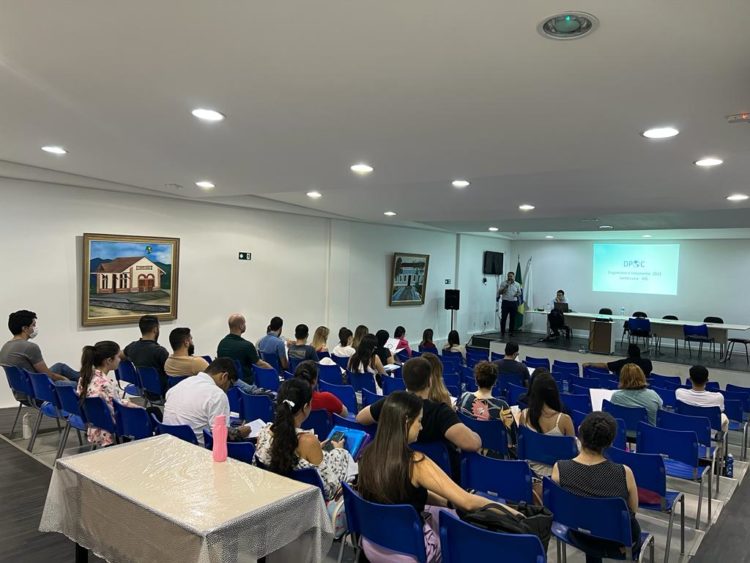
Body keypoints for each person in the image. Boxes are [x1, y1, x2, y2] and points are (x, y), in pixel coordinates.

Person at [357, 391, 514, 562]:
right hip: (410, 552)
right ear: (406, 422)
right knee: (461, 531)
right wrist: (515, 515)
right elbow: (468, 502)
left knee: (442, 511)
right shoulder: (415, 463)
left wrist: (447, 502)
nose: (421, 427)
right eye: (419, 421)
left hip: (373, 544)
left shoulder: (367, 454)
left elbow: (402, 493)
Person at [357, 357, 481, 478]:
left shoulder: (392, 403)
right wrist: (477, 436)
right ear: (430, 381)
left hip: (401, 472)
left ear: (405, 380)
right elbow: (472, 444)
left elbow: (360, 418)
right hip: (440, 476)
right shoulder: (441, 412)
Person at [552, 412, 640, 563]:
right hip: (615, 541)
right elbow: (632, 511)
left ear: (580, 433)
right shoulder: (624, 473)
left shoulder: (560, 468)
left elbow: (558, 506)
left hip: (577, 533)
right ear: (610, 442)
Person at [254, 378, 353, 501]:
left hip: (275, 498)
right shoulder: (308, 441)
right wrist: (339, 451)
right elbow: (329, 490)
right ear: (306, 407)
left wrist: (315, 450)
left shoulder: (264, 432)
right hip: (306, 505)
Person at [163, 358, 252, 444]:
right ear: (224, 376)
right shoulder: (217, 394)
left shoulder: (180, 385)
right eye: (230, 384)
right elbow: (222, 438)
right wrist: (239, 433)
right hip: (197, 449)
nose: (228, 390)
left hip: (169, 444)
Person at [77, 341, 137, 447]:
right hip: (110, 432)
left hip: (94, 428)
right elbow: (116, 411)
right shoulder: (105, 384)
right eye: (118, 356)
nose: (120, 359)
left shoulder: (84, 378)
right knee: (149, 414)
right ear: (109, 360)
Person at [518, 371, 575, 477]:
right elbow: (572, 453)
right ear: (555, 393)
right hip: (557, 476)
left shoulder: (524, 415)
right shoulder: (565, 420)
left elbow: (521, 445)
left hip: (530, 472)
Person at [0, 310, 79, 385]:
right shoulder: (30, 347)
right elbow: (48, 375)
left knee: (60, 367)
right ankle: (84, 384)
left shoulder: (5, 347)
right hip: (38, 389)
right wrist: (64, 379)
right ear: (25, 328)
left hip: (23, 387)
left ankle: (84, 378)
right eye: (33, 325)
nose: (35, 328)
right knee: (74, 385)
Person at [457, 361, 517, 455]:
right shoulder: (503, 406)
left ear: (476, 380)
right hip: (493, 458)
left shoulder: (464, 397)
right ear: (495, 382)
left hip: (466, 453)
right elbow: (512, 441)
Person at [216, 314, 273, 393]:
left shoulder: (221, 344)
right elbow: (260, 364)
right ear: (241, 326)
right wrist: (274, 371)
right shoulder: (247, 345)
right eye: (244, 324)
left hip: (229, 388)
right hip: (247, 387)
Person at [123, 315, 170, 392]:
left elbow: (119, 355)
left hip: (143, 390)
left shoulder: (132, 347)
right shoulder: (160, 351)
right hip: (162, 392)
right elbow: (173, 371)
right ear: (155, 329)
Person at [676, 365, 728, 431]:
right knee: (724, 417)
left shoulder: (679, 393)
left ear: (690, 379)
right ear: (707, 380)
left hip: (685, 429)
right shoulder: (718, 397)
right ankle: (722, 436)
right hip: (708, 433)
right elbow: (720, 412)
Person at [584, 344, 653, 377]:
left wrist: (590, 363)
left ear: (628, 354)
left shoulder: (622, 363)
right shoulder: (647, 363)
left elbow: (605, 365)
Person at [497, 271, 522, 338]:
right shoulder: (503, 283)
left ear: (513, 277)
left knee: (512, 318)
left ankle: (511, 332)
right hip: (505, 302)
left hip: (514, 303)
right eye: (508, 276)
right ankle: (502, 332)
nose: (509, 277)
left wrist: (517, 294)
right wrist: (506, 286)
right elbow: (500, 292)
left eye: (511, 276)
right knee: (503, 318)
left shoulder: (517, 284)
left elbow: (519, 292)